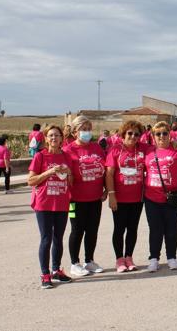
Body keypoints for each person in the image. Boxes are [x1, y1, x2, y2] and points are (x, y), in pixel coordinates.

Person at [27, 125, 73, 289]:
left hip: (61, 203)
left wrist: (68, 173)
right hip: (44, 203)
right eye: (51, 136)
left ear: (62, 138)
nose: (54, 138)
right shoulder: (40, 156)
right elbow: (31, 180)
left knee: (58, 239)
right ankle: (45, 274)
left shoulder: (66, 156)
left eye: (57, 135)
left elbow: (72, 182)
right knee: (46, 239)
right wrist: (49, 172)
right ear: (46, 139)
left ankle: (56, 270)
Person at [145, 122, 177, 271]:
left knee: (172, 228)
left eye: (165, 133)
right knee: (155, 229)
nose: (161, 136)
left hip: (174, 196)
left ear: (169, 134)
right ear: (153, 136)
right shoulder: (147, 151)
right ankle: (154, 258)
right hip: (152, 197)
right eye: (158, 134)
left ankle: (171, 256)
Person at [64, 116, 107, 276]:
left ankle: (89, 261)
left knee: (92, 230)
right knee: (77, 230)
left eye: (89, 129)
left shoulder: (96, 148)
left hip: (95, 198)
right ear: (75, 132)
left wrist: (106, 189)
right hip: (75, 200)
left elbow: (105, 170)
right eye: (84, 129)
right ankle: (74, 263)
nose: (87, 132)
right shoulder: (68, 150)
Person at [105, 120, 149, 273]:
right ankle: (119, 259)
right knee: (119, 229)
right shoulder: (115, 150)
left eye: (137, 134)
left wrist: (175, 145)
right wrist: (111, 195)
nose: (133, 136)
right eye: (130, 133)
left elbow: (161, 147)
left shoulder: (144, 148)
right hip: (119, 198)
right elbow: (109, 174)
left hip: (137, 198)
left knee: (132, 228)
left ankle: (129, 257)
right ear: (123, 134)